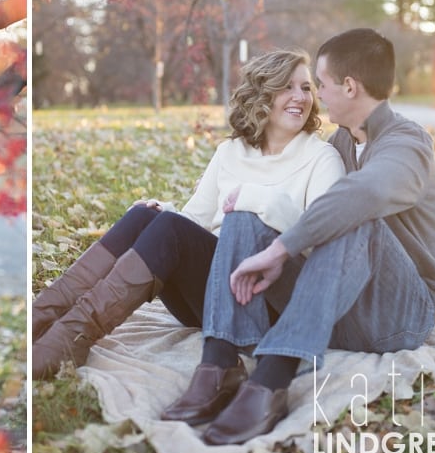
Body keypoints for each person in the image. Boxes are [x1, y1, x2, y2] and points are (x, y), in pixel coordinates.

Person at [168, 28, 435, 446]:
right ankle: (220, 363)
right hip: (340, 311)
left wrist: (282, 248)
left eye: (319, 84)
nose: (314, 94)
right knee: (245, 213)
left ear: (350, 87)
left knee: (357, 214)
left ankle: (272, 378)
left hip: (401, 316)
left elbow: (368, 194)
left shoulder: (407, 142)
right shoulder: (340, 142)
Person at [32, 49, 346, 381]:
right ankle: (44, 318)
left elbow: (319, 246)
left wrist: (258, 200)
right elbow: (192, 221)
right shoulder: (231, 152)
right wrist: (159, 214)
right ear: (262, 94)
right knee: (147, 217)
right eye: (287, 87)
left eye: (307, 88)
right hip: (209, 297)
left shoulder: (322, 159)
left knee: (168, 228)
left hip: (268, 302)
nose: (300, 97)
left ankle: (73, 337)